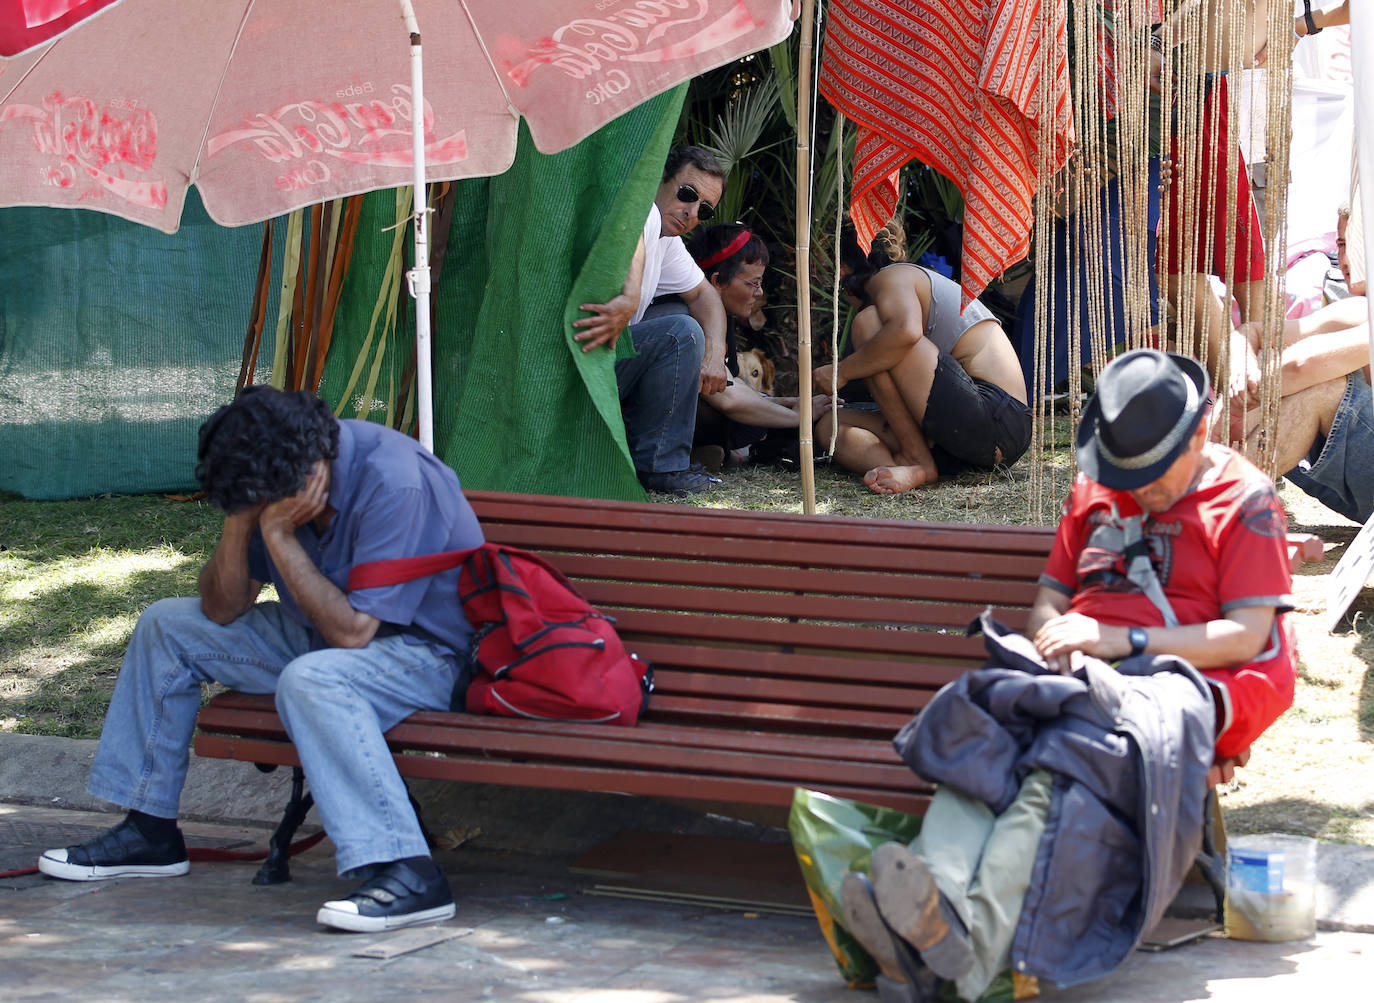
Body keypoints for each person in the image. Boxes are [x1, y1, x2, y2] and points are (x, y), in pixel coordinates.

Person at [840, 350, 1296, 1002]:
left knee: (1056, 763)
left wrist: (1118, 638)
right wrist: (1051, 645)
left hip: (1181, 678)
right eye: (1126, 473)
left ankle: (954, 953)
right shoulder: (1095, 489)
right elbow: (1051, 599)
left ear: (1199, 434)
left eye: (1154, 475)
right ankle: (930, 902)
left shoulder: (1246, 501)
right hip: (1082, 670)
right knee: (987, 727)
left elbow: (1247, 635)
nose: (1136, 489)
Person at [38, 388, 484, 934]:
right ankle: (149, 831)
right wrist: (240, 521)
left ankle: (411, 874)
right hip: (326, 640)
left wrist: (277, 532)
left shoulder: (396, 481)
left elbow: (351, 634)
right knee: (167, 624)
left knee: (312, 680)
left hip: (428, 655)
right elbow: (221, 608)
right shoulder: (278, 473)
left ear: (310, 471)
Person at [814, 223, 1031, 494]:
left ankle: (915, 459)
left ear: (843, 270)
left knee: (867, 324)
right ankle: (902, 469)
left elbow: (906, 332)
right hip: (963, 442)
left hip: (995, 418)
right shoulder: (897, 286)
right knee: (831, 426)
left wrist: (841, 371)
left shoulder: (892, 277)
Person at [574, 146, 729, 496]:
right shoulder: (639, 210)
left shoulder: (667, 239)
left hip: (606, 357)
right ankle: (659, 465)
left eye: (703, 209)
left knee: (679, 316)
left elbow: (706, 295)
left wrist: (716, 352)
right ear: (659, 178)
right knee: (680, 332)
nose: (692, 212)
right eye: (687, 194)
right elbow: (632, 233)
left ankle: (643, 446)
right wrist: (629, 296)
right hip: (580, 363)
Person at [684, 222, 831, 469]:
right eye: (753, 283)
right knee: (744, 417)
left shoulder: (721, 317)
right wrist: (799, 417)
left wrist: (785, 403)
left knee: (757, 414)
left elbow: (731, 384)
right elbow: (727, 399)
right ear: (717, 281)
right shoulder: (689, 321)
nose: (759, 292)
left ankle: (720, 453)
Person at [1232, 298, 1373, 524]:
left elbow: (1301, 365)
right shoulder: (1357, 309)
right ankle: (1201, 492)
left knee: (1320, 389)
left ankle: (1209, 499)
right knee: (1273, 373)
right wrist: (1242, 368)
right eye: (1343, 257)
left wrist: (1237, 404)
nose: (1345, 260)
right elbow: (1251, 332)